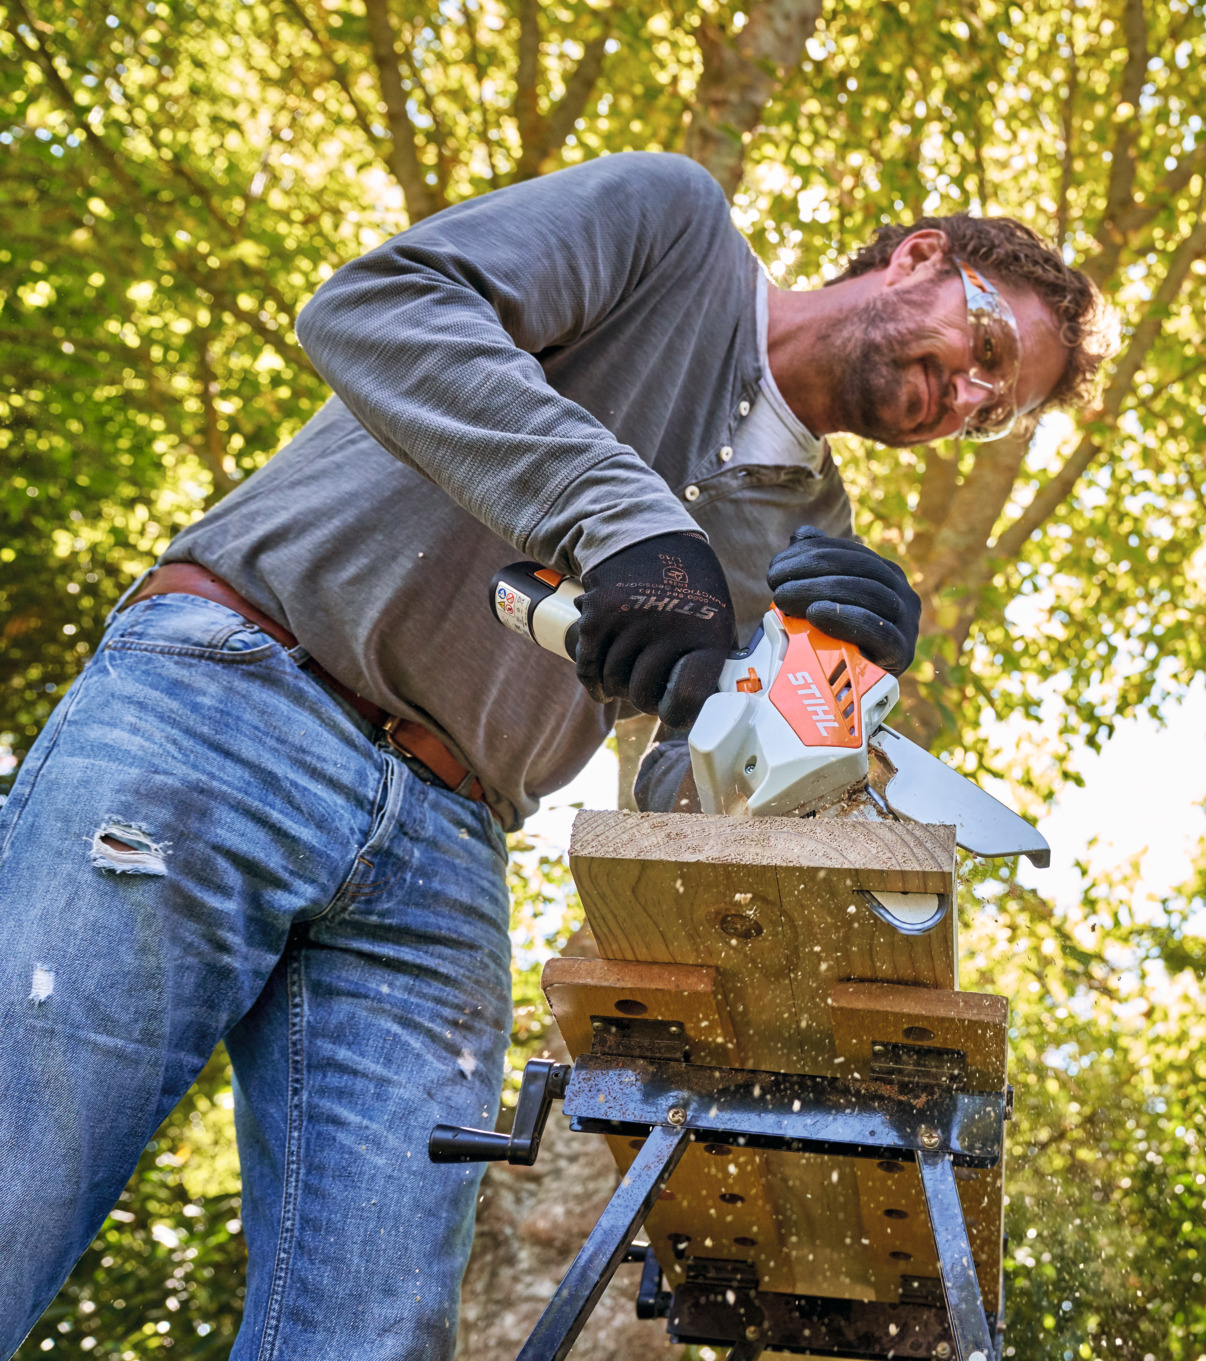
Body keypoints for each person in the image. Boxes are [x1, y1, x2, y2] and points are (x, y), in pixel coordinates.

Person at [0, 150, 1109, 1358]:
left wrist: (826, 713)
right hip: (231, 699)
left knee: (373, 1329)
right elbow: (375, 307)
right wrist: (622, 517)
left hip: (448, 849)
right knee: (21, 1169)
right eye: (986, 353)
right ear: (920, 258)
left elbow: (684, 788)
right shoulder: (673, 228)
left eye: (990, 412)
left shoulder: (806, 538)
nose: (964, 403)